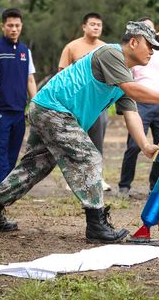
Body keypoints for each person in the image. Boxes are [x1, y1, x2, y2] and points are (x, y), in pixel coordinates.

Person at [0, 21, 159, 243]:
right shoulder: (111, 53)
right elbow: (133, 91)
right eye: (150, 46)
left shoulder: (125, 74)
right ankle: (96, 224)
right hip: (53, 108)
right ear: (134, 42)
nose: (152, 52)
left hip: (49, 109)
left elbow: (131, 112)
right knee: (88, 156)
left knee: (35, 166)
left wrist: (145, 146)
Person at [118, 17, 159, 196]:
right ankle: (124, 185)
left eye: (152, 29)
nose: (150, 31)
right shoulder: (134, 53)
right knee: (134, 145)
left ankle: (155, 186)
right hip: (141, 103)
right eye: (145, 28)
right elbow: (126, 79)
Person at [0, 8, 38, 185]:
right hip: (0, 111)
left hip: (19, 111)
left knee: (14, 151)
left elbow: (30, 80)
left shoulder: (25, 51)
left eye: (17, 25)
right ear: (3, 26)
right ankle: (1, 189)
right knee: (1, 149)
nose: (14, 29)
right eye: (10, 25)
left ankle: (6, 185)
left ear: (21, 26)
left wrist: (35, 105)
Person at [58, 12, 111, 191]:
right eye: (92, 24)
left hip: (98, 102)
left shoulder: (105, 48)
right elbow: (62, 74)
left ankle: (97, 177)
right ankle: (72, 178)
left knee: (97, 141)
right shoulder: (72, 47)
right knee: (76, 140)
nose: (96, 27)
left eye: (99, 25)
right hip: (77, 103)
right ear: (84, 27)